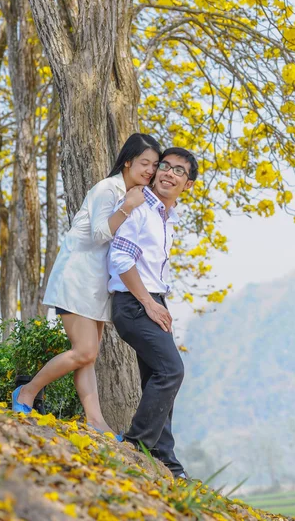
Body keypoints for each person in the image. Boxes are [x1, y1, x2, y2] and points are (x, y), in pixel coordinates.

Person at [12, 133, 161, 437]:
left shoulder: (134, 194)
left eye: (154, 165)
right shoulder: (108, 190)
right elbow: (97, 235)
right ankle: (26, 392)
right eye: (144, 162)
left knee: (88, 358)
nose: (149, 170)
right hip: (76, 278)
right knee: (84, 352)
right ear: (128, 161)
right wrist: (127, 207)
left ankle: (96, 422)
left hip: (97, 286)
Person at [108, 146, 198, 477]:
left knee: (158, 379)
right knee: (171, 371)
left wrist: (158, 302)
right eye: (165, 166)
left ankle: (167, 461)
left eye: (179, 171)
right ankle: (136, 446)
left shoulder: (165, 216)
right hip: (134, 304)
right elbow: (120, 259)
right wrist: (148, 303)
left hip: (153, 301)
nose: (169, 173)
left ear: (187, 185)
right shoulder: (140, 207)